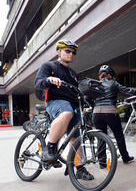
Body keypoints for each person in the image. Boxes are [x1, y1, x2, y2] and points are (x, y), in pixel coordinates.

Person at [34, 39, 93, 180]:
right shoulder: (49, 66)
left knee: (76, 137)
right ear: (59, 51)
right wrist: (49, 80)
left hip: (72, 103)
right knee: (66, 112)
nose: (71, 54)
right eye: (67, 51)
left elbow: (76, 91)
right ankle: (50, 148)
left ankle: (79, 168)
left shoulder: (73, 73)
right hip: (55, 101)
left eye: (74, 52)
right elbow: (38, 83)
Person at [93, 65, 136, 164]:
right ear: (110, 75)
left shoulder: (95, 85)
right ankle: (125, 158)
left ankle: (102, 162)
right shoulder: (113, 83)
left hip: (96, 113)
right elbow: (128, 90)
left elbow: (88, 98)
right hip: (110, 112)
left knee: (101, 137)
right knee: (119, 136)